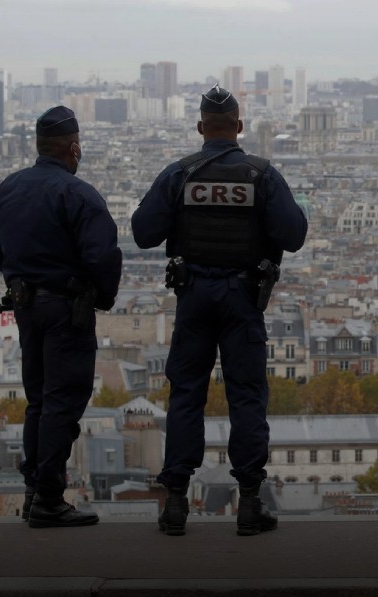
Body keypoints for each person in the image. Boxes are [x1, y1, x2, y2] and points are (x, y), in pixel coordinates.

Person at [131, 85, 307, 537]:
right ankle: (249, 504)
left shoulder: (180, 175)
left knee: (186, 395)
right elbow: (293, 234)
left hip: (193, 295)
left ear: (200, 128)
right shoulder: (262, 175)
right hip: (242, 298)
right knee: (246, 397)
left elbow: (143, 232)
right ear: (240, 128)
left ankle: (174, 505)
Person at [0, 106, 122, 528]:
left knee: (38, 400)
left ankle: (32, 489)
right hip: (66, 310)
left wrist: (20, 275)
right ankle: (48, 497)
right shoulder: (79, 195)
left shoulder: (9, 188)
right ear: (73, 147)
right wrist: (101, 296)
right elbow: (102, 256)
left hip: (25, 307)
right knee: (63, 401)